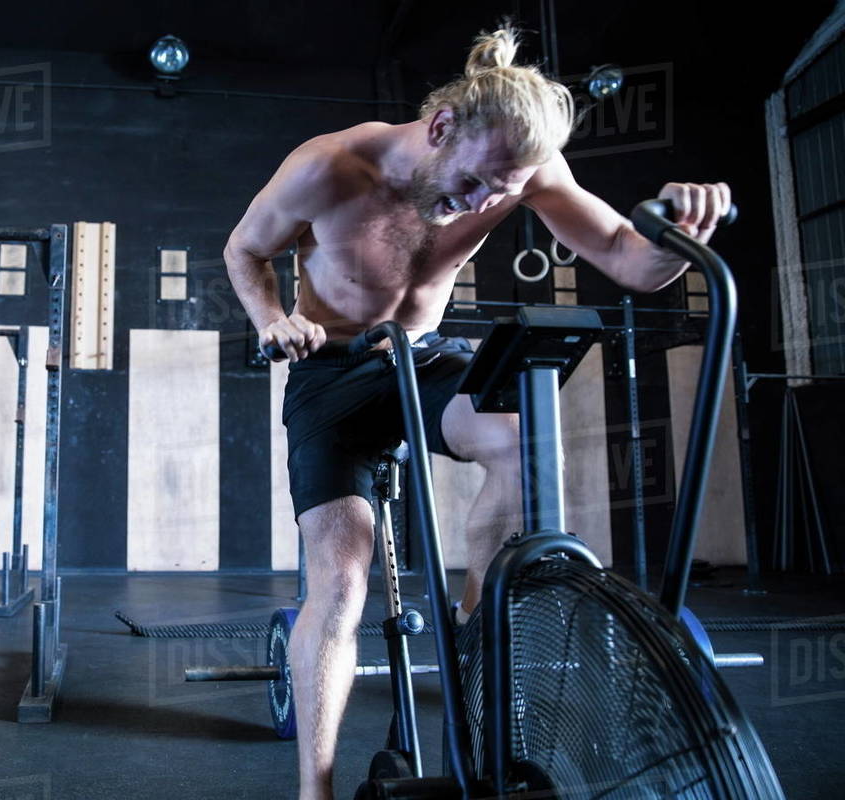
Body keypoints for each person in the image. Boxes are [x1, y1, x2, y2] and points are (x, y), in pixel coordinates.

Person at [223, 25, 731, 800]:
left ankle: (470, 634)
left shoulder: (521, 171)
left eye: (505, 189)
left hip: (420, 356)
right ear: (439, 129)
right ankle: (314, 790)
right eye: (477, 183)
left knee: (523, 446)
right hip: (327, 368)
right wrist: (271, 322)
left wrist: (678, 235)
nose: (487, 202)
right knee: (340, 581)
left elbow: (631, 259)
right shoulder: (329, 167)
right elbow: (243, 251)